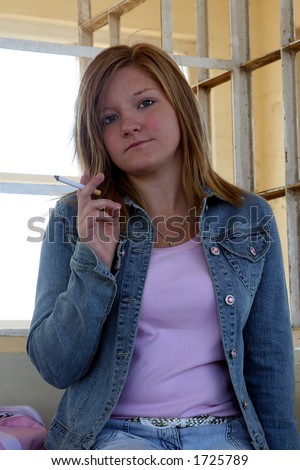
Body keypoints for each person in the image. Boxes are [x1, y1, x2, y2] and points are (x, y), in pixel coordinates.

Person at [27, 42, 300, 451]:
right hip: (110, 436)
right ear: (96, 134)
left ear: (180, 107)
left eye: (146, 103)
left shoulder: (248, 217)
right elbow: (55, 365)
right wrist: (94, 260)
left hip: (222, 435)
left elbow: (270, 359)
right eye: (109, 117)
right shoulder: (72, 218)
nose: (129, 125)